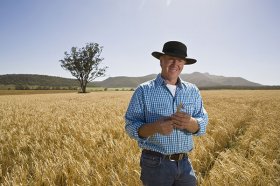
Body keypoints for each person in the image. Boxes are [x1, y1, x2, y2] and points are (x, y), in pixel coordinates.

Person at [125, 41, 208, 186]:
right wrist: (155, 127)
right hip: (155, 164)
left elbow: (203, 122)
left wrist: (191, 123)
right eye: (171, 58)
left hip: (185, 163)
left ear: (184, 64)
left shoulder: (192, 90)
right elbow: (130, 126)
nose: (176, 63)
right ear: (161, 60)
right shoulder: (143, 90)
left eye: (180, 60)